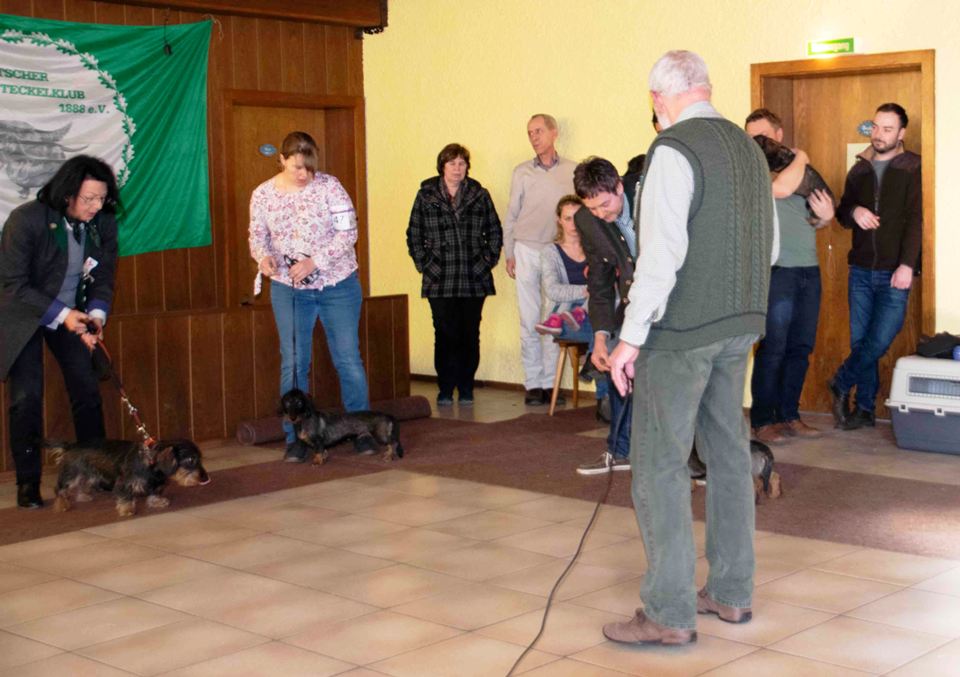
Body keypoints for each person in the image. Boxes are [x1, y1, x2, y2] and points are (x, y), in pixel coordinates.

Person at [604, 50, 777, 645]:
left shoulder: (673, 150)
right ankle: (731, 593)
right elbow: (771, 247)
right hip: (740, 325)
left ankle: (668, 611)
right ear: (705, 88)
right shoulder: (751, 151)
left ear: (658, 100)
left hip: (681, 334)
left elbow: (660, 255)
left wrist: (629, 339)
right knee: (728, 456)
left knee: (658, 463)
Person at [0, 155, 120, 509]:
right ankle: (27, 481)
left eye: (102, 199)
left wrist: (95, 315)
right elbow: (12, 284)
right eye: (89, 199)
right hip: (24, 315)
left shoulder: (102, 223)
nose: (96, 206)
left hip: (72, 314)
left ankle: (96, 469)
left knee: (86, 389)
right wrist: (64, 314)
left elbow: (104, 274)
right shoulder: (27, 220)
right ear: (67, 193)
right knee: (26, 398)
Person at [249, 131, 370, 462]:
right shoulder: (263, 195)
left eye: (309, 168)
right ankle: (296, 439)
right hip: (289, 290)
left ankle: (362, 430)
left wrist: (315, 261)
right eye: (297, 167)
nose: (303, 174)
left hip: (338, 284)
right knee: (294, 363)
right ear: (282, 160)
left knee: (348, 358)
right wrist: (264, 257)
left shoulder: (330, 187)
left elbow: (349, 232)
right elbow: (257, 236)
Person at [745, 108, 835, 445]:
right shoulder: (754, 167)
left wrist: (826, 218)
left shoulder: (797, 168)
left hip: (808, 269)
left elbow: (817, 213)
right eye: (752, 137)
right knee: (773, 347)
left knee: (800, 346)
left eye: (763, 136)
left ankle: (789, 415)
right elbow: (781, 190)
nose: (757, 143)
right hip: (775, 270)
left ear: (778, 134)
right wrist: (804, 155)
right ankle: (763, 420)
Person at [829, 103, 921, 430]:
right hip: (860, 271)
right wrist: (853, 212)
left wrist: (908, 265)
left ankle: (840, 382)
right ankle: (864, 409)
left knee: (880, 339)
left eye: (887, 129)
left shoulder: (913, 168)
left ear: (901, 133)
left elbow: (916, 222)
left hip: (895, 271)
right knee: (861, 343)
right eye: (876, 128)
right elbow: (841, 213)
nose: (879, 135)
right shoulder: (860, 169)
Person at [406, 143, 502, 406]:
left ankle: (467, 387)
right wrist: (425, 263)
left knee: (470, 333)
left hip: (474, 276)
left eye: (462, 163)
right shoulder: (426, 195)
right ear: (442, 167)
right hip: (439, 276)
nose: (458, 169)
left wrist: (486, 261)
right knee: (445, 333)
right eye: (452, 164)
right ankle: (446, 387)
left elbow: (494, 231)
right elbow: (414, 234)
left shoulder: (480, 194)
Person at [572, 157, 641, 475]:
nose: (601, 214)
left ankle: (695, 460)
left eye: (605, 204)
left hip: (677, 298)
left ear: (618, 186)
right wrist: (599, 337)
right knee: (616, 362)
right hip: (633, 299)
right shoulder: (587, 220)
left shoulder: (648, 195)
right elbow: (599, 283)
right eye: (593, 208)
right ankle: (620, 450)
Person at [503, 114, 576, 406]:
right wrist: (509, 253)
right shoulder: (522, 172)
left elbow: (578, 213)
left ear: (554, 133)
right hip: (526, 249)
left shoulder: (572, 169)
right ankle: (533, 383)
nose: (534, 137)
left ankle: (551, 384)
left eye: (539, 131)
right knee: (529, 319)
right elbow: (511, 215)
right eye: (529, 132)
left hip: (558, 252)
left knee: (553, 320)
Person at [535, 195, 609, 414]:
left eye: (578, 218)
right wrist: (588, 290)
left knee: (603, 327)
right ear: (559, 220)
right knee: (605, 332)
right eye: (567, 219)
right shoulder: (550, 252)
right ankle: (604, 399)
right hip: (563, 320)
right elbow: (553, 290)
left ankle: (597, 380)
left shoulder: (597, 248)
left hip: (591, 316)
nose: (573, 224)